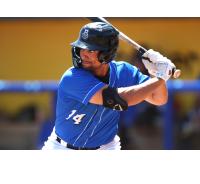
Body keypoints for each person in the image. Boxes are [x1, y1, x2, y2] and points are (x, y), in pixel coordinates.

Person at [42, 22, 175, 150]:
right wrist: (160, 78)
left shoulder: (124, 71)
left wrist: (155, 73)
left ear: (107, 52)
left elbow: (158, 99)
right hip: (63, 148)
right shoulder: (72, 77)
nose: (84, 54)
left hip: (107, 147)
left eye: (91, 49)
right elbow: (115, 99)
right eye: (81, 47)